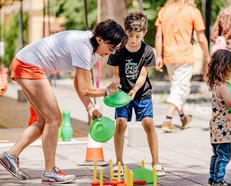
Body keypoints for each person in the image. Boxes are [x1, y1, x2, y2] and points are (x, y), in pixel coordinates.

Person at [0, 19, 126, 184]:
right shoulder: (83, 46)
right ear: (99, 39)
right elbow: (85, 88)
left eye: (114, 49)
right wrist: (107, 92)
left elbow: (78, 84)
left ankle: (10, 156)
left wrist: (90, 107)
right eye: (110, 48)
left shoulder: (93, 52)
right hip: (28, 65)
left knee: (45, 120)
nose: (110, 52)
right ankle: (50, 171)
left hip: (26, 64)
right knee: (54, 118)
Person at [107, 12, 165, 177]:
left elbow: (143, 75)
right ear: (125, 31)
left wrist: (135, 89)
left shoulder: (147, 51)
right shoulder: (118, 51)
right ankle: (119, 161)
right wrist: (115, 84)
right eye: (130, 35)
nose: (133, 40)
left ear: (144, 33)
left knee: (148, 123)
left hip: (142, 93)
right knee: (120, 123)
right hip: (122, 94)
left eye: (137, 36)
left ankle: (156, 162)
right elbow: (116, 73)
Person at [155, 0, 210, 132]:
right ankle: (167, 121)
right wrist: (208, 56)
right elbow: (201, 38)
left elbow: (158, 36)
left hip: (168, 56)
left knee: (177, 88)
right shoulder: (193, 12)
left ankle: (183, 117)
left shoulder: (164, 10)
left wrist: (159, 56)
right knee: (181, 89)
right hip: (184, 56)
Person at [204, 49, 231, 186]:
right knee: (224, 156)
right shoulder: (223, 86)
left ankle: (212, 178)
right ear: (226, 68)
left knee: (216, 155)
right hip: (224, 129)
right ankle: (218, 180)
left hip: (217, 128)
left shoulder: (216, 83)